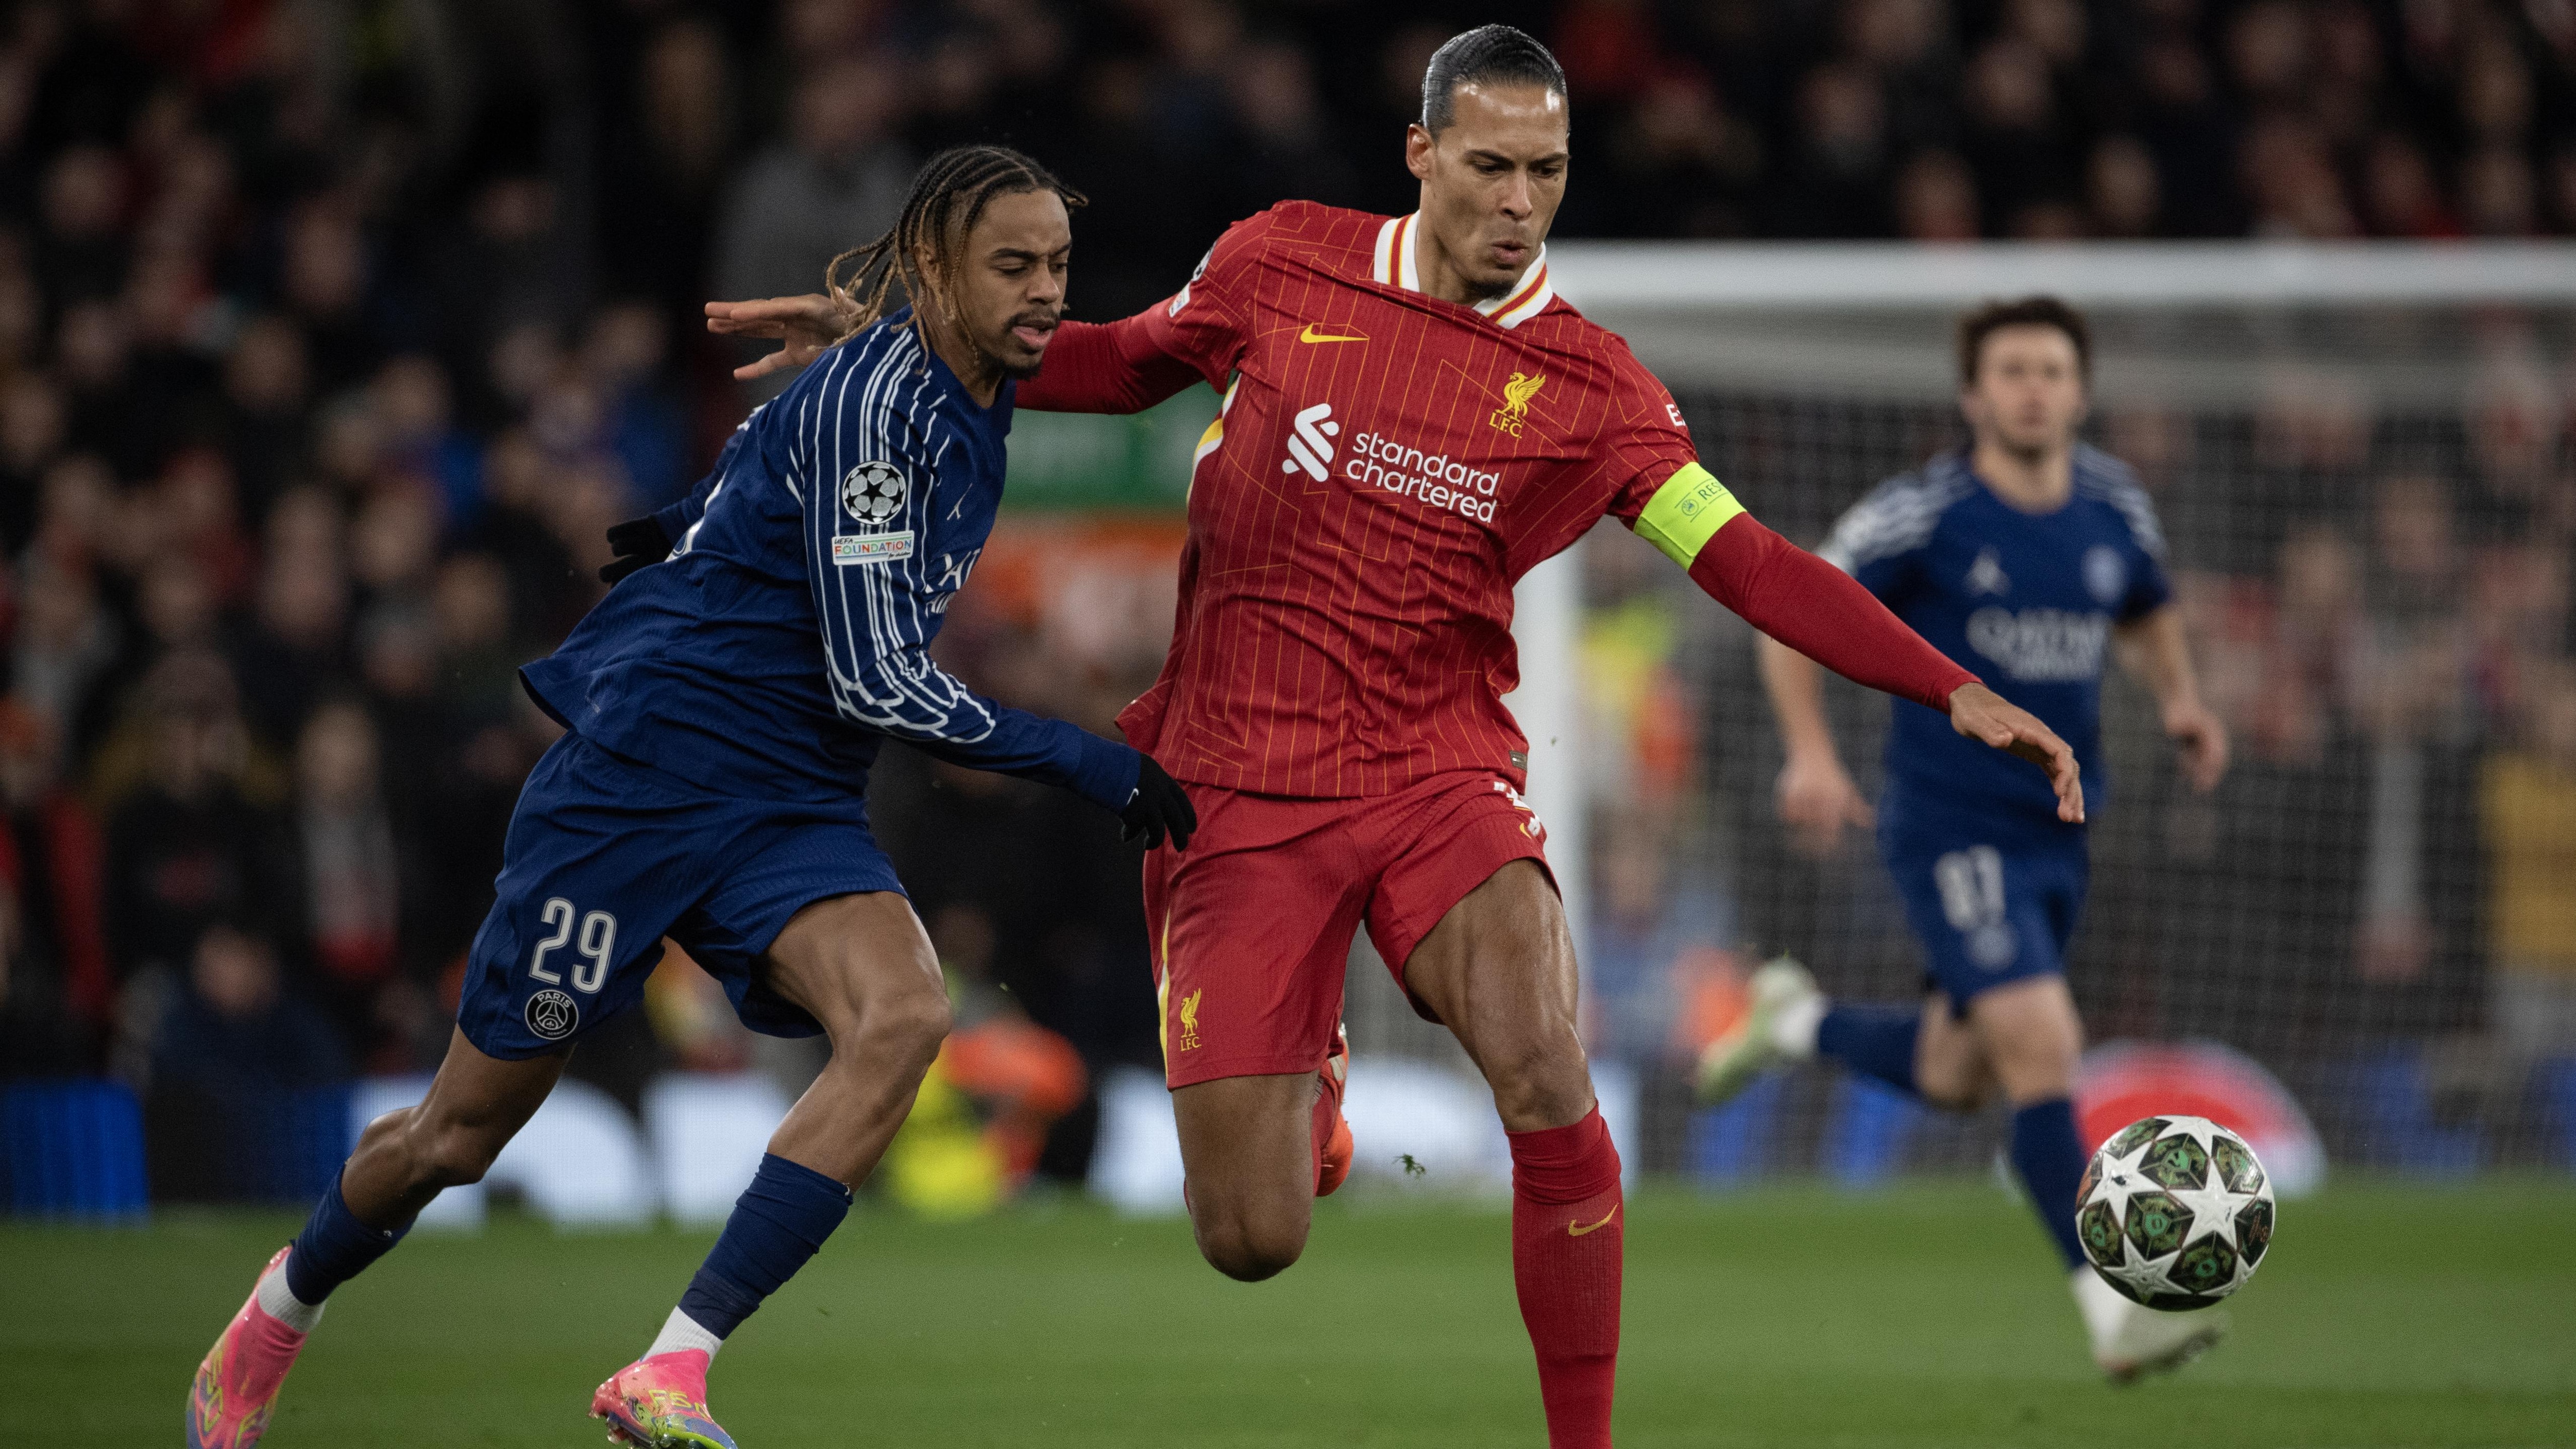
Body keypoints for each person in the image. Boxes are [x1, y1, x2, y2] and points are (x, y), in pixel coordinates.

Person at [709, 29, 2081, 1447]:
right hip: (1231, 781)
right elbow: (1119, 366)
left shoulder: (1594, 390)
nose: (1518, 198)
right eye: (1488, 165)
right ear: (1421, 156)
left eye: (1546, 170)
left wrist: (1947, 685)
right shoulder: (1280, 261)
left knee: (1547, 1064)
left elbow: (1745, 558)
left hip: (1440, 775)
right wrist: (904, 345)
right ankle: (1314, 1085)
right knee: (1250, 1235)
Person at [183, 145, 1196, 1449]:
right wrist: (1090, 760)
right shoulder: (875, 417)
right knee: (456, 1137)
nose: (1049, 292)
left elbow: (1039, 370)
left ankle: (672, 1368)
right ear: (939, 268)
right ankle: (279, 1308)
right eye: (1016, 265)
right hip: (643, 782)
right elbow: (881, 680)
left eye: (1058, 263)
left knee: (900, 1018)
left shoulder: (964, 368)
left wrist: (873, 330)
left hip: (789, 796)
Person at [1696, 296, 2233, 1382]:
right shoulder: (1923, 514)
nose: (2032, 388)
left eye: (2050, 370)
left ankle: (1797, 1023)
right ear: (1972, 395)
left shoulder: (2115, 506)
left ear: (2080, 392)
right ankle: (2115, 1310)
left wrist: (2179, 696)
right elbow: (1792, 605)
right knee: (2041, 1044)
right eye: (2011, 371)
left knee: (1958, 1072)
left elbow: (2146, 608)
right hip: (1948, 826)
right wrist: (1809, 751)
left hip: (2060, 832)